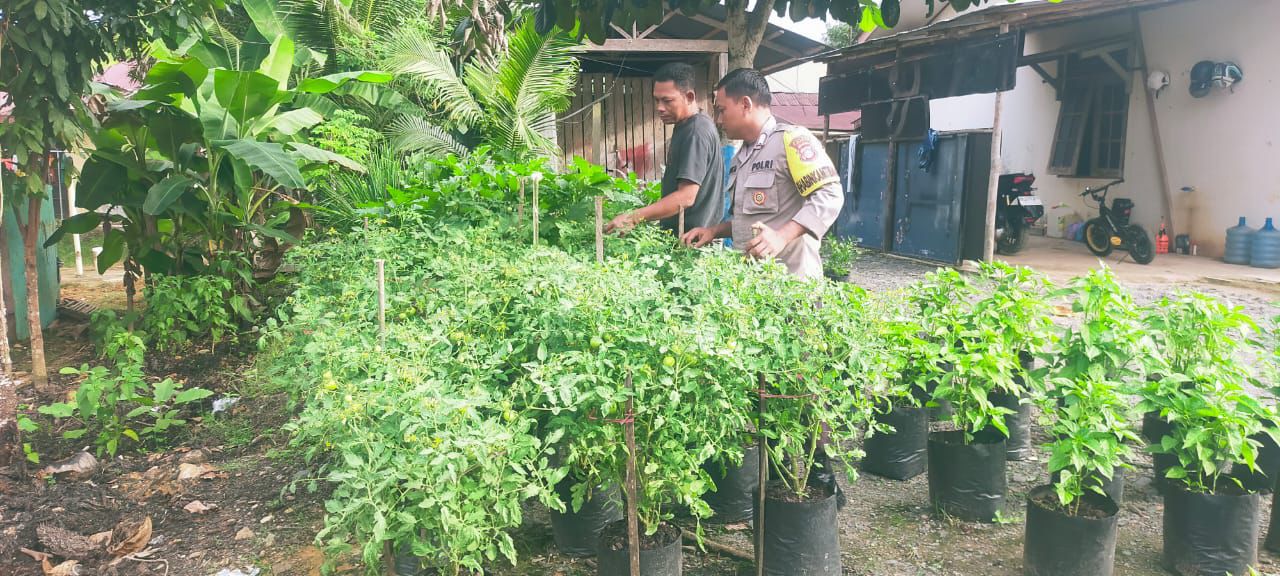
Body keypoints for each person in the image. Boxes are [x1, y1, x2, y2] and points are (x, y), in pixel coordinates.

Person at [681, 68, 844, 279]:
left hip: (792, 287)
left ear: (745, 104)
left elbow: (830, 195)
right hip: (754, 288)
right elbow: (753, 220)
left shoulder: (791, 140)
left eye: (722, 110)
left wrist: (782, 236)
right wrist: (714, 231)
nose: (719, 120)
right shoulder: (740, 158)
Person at [604, 62, 724, 236]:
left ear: (689, 97)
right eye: (657, 100)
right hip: (685, 239)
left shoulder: (696, 132)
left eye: (667, 101)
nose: (659, 107)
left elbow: (686, 197)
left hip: (693, 244)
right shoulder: (686, 126)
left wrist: (633, 217)